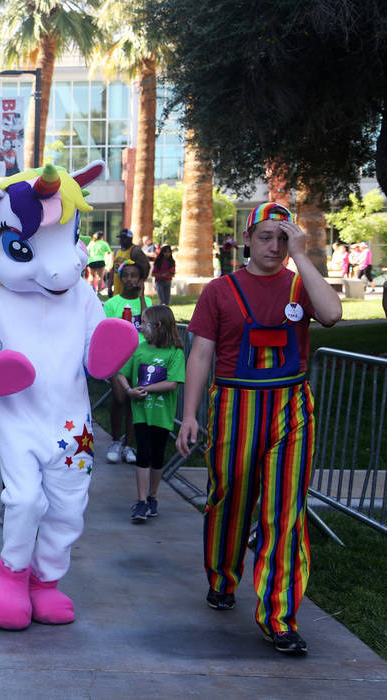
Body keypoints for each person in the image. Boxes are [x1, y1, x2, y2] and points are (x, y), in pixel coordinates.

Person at [176, 203, 342, 655]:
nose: (274, 246)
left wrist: (303, 258)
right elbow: (200, 356)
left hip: (291, 407)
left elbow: (331, 315)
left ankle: (279, 617)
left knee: (285, 511)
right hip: (234, 404)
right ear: (247, 238)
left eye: (283, 238)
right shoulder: (219, 291)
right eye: (266, 236)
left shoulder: (300, 283)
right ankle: (222, 577)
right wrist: (190, 415)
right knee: (228, 498)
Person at [113, 305, 184, 523]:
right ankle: (142, 500)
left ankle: (153, 496)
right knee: (143, 452)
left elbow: (172, 383)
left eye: (144, 323)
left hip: (162, 415)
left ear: (158, 326)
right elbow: (120, 371)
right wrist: (128, 390)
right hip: (141, 413)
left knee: (157, 454)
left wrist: (144, 390)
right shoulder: (139, 349)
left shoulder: (175, 353)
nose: (140, 327)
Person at [103, 260, 152, 464]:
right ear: (121, 278)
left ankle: (128, 446)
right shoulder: (112, 303)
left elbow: (148, 326)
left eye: (134, 276)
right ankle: (115, 441)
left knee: (135, 401)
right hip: (118, 357)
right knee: (120, 398)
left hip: (140, 356)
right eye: (126, 275)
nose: (129, 279)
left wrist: (141, 297)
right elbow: (104, 332)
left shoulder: (147, 302)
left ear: (141, 279)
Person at [110, 229, 149, 297]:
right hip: (117, 289)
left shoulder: (135, 251)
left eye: (124, 238)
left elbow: (146, 266)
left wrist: (140, 281)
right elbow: (113, 269)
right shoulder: (117, 251)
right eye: (121, 238)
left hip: (130, 290)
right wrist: (109, 286)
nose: (121, 240)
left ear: (130, 239)